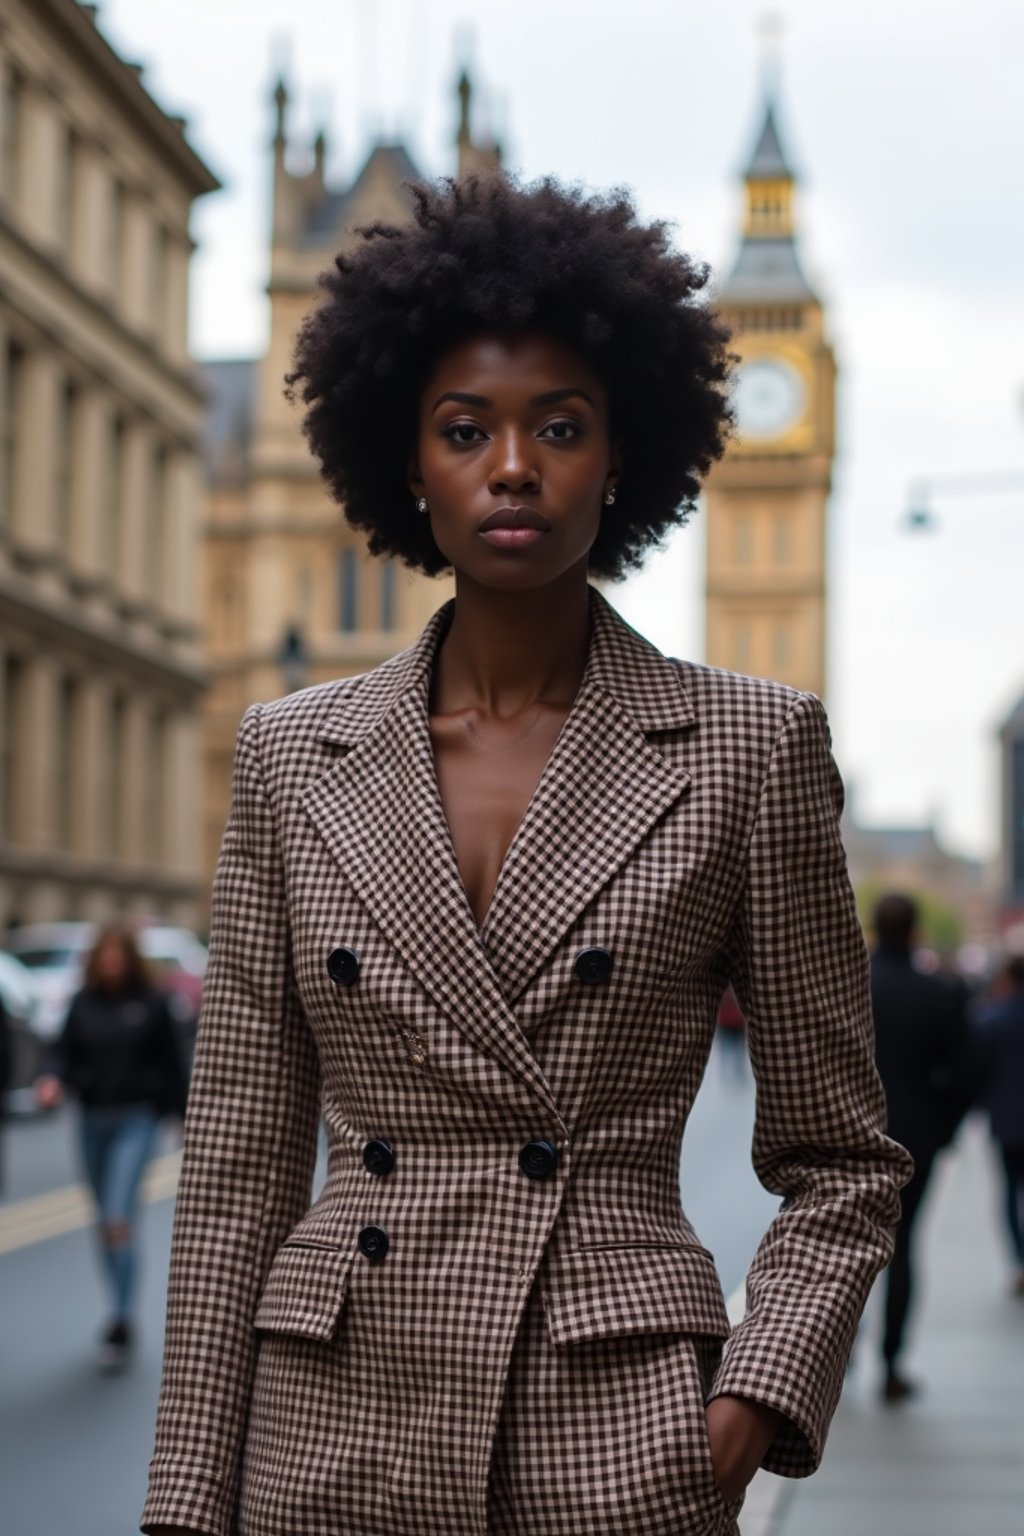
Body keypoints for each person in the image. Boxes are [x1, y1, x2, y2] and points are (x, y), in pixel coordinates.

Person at [142, 174, 911, 1536]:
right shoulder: (287, 752)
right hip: (332, 1433)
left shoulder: (749, 748)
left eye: (559, 426)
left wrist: (748, 1400)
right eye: (464, 429)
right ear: (407, 463)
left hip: (613, 1431)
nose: (512, 466)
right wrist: (189, 1495)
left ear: (621, 459)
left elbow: (842, 1159)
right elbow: (237, 1171)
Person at [36, 923, 188, 1370]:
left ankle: (120, 1319)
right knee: (105, 1222)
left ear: (129, 958)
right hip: (92, 1119)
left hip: (137, 1119)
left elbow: (174, 1063)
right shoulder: (84, 1003)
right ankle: (117, 1305)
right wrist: (52, 1080)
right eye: (103, 954)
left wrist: (182, 1117)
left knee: (119, 1217)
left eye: (117, 954)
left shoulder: (153, 1003)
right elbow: (63, 1053)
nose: (110, 962)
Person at [869, 892, 973, 1402]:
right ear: (913, 932)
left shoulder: (850, 985)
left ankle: (831, 1362)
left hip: (848, 1136)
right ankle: (891, 1362)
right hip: (915, 1139)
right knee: (904, 1248)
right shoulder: (941, 992)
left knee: (831, 1247)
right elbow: (964, 1073)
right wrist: (943, 1130)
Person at [972, 955, 1024, 1294]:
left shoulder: (992, 1019)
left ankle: (1020, 1261)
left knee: (1009, 1193)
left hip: (1008, 1122)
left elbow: (977, 1071)